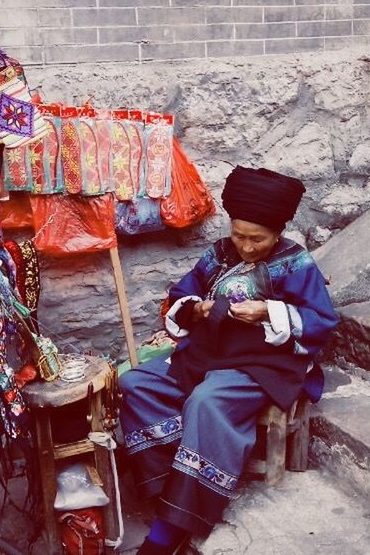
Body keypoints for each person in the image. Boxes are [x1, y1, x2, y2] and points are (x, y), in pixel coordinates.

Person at [119, 166, 339, 555]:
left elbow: (321, 321)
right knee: (135, 383)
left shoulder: (297, 263)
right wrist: (195, 308)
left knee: (207, 401)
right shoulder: (218, 253)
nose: (247, 247)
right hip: (209, 352)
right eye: (240, 235)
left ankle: (173, 526)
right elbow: (180, 295)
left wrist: (269, 312)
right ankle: (169, 486)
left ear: (278, 232)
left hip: (265, 363)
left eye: (259, 239)